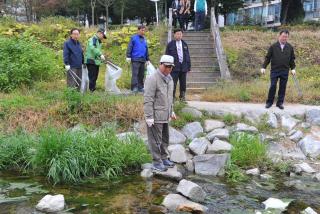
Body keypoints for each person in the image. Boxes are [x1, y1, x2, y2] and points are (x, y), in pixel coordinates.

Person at [144, 55, 177, 172]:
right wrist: (149, 117)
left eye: (171, 67)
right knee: (155, 140)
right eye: (166, 66)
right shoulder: (152, 78)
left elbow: (169, 97)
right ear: (160, 64)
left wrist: (171, 110)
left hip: (166, 115)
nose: (169, 69)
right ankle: (156, 162)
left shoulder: (170, 79)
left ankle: (164, 157)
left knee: (165, 139)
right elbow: (148, 99)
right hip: (155, 117)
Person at [261, 30, 296, 110]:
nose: (284, 38)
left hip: (285, 70)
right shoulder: (273, 46)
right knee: (273, 86)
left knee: (282, 87)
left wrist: (293, 68)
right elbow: (268, 58)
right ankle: (269, 102)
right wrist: (264, 67)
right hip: (275, 70)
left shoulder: (290, 47)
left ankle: (279, 103)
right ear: (279, 36)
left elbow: (292, 59)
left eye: (286, 37)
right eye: (283, 36)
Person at [165, 28, 191, 102]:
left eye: (180, 34)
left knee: (183, 84)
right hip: (174, 68)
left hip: (183, 67)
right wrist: (167, 67)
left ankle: (182, 98)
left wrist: (189, 67)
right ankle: (172, 98)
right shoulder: (170, 44)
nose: (179, 35)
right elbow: (167, 56)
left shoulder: (185, 44)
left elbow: (187, 56)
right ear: (174, 35)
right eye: (177, 34)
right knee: (173, 83)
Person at [126, 25, 150, 93]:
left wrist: (147, 59)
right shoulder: (133, 38)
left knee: (141, 75)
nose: (143, 32)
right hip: (135, 59)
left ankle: (140, 87)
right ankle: (134, 87)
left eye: (144, 30)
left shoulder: (145, 39)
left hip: (143, 59)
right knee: (135, 74)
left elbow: (146, 49)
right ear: (138, 30)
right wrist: (128, 56)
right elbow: (129, 47)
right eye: (142, 30)